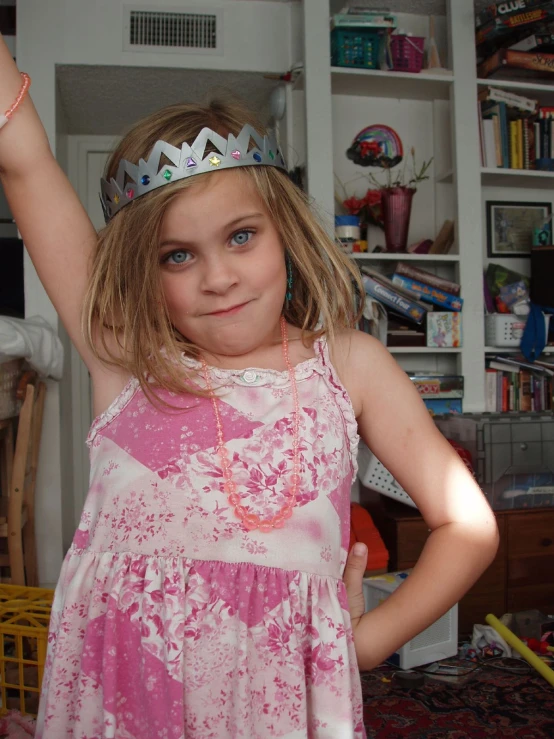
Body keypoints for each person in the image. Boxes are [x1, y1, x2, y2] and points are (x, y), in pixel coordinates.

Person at [0, 33, 499, 739]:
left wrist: (370, 638)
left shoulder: (348, 365)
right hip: (121, 697)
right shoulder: (126, 353)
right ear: (146, 272)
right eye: (179, 254)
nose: (219, 276)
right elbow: (23, 161)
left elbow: (468, 525)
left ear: (284, 233)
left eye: (241, 236)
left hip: (275, 703)